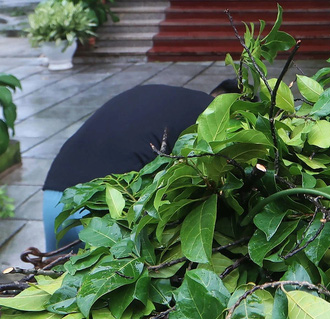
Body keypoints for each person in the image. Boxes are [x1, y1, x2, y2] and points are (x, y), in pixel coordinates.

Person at [40, 81, 238, 252]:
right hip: (103, 208)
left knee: (54, 285)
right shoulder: (213, 120)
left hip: (56, 197)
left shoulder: (165, 97)